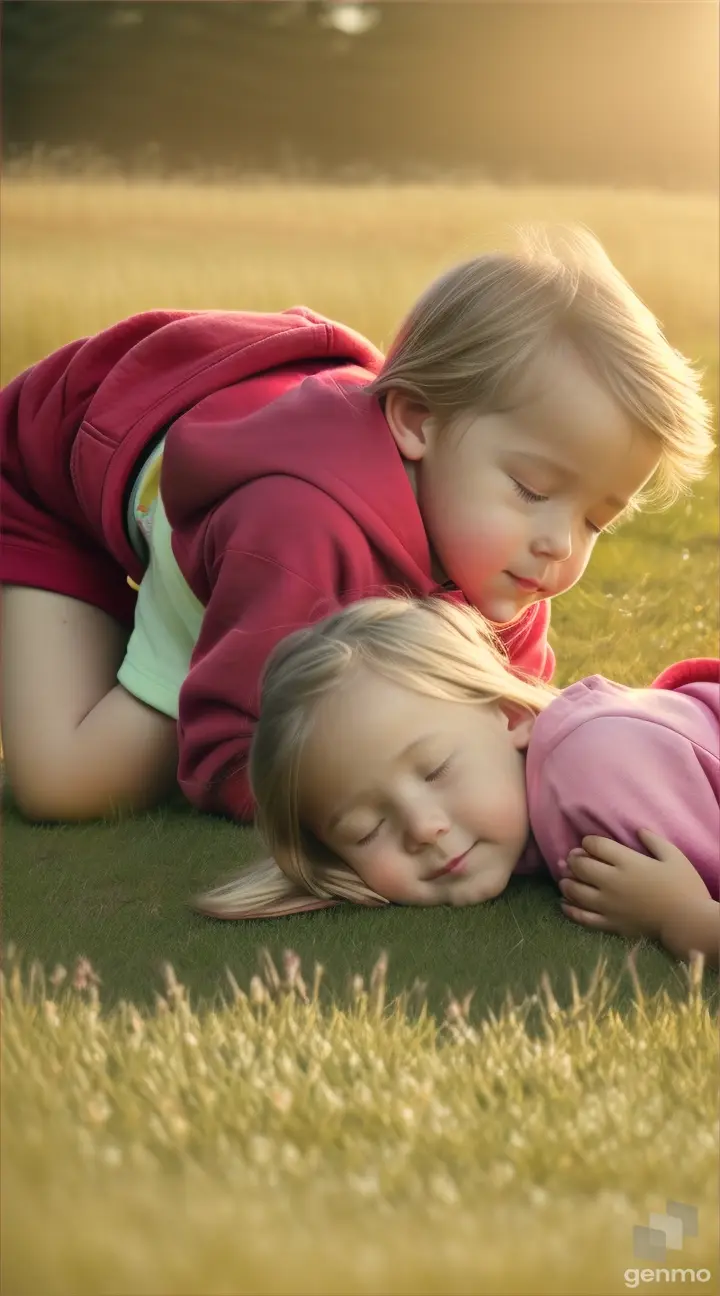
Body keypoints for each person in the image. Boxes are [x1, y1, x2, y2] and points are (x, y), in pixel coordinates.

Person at [0, 227, 713, 824]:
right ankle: (151, 615)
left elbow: (510, 720)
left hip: (235, 507)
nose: (560, 542)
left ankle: (171, 610)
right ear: (418, 422)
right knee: (68, 785)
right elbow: (231, 753)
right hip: (44, 480)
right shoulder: (298, 533)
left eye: (596, 520)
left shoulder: (504, 558)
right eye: (532, 489)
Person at [196, 598, 719, 966]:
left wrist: (680, 917)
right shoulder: (532, 798)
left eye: (436, 770)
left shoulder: (596, 770)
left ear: (511, 716)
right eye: (366, 829)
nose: (422, 828)